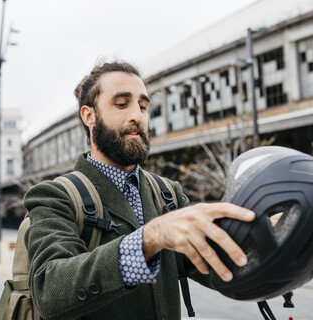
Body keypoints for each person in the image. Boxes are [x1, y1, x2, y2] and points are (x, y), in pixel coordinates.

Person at [23, 60, 256, 320]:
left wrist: (268, 235)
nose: (137, 116)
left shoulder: (168, 193)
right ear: (89, 116)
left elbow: (217, 262)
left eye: (143, 106)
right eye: (122, 104)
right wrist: (150, 238)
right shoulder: (55, 196)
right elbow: (48, 291)